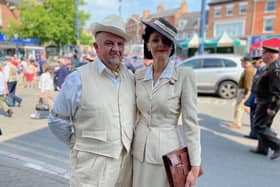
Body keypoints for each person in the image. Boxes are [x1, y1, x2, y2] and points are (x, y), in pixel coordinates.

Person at [48, 15, 136, 187]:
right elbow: (56, 122)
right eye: (109, 43)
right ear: (96, 47)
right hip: (91, 172)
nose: (116, 49)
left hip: (125, 169)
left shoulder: (130, 77)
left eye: (120, 44)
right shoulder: (77, 79)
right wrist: (78, 144)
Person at [132, 18, 201, 187]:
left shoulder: (185, 75)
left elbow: (190, 123)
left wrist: (195, 165)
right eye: (155, 40)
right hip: (138, 151)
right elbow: (133, 115)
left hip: (166, 155)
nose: (160, 44)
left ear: (171, 46)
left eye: (166, 41)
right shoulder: (138, 75)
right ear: (148, 45)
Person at [251, 46, 280, 160]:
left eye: (264, 53)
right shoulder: (270, 66)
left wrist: (272, 106)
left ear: (271, 55)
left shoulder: (276, 68)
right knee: (265, 125)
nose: (262, 56)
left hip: (268, 102)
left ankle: (277, 145)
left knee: (259, 126)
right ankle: (262, 149)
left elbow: (277, 91)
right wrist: (258, 96)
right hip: (263, 100)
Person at [228, 56, 256, 129]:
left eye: (242, 62)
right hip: (244, 90)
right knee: (245, 107)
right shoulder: (248, 69)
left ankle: (237, 124)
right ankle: (257, 119)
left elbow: (248, 83)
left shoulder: (248, 70)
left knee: (239, 107)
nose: (241, 63)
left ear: (246, 62)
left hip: (244, 90)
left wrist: (247, 93)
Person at [244, 55, 266, 139]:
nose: (254, 65)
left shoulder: (264, 70)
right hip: (254, 95)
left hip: (258, 97)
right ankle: (253, 133)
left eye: (255, 63)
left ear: (260, 61)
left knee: (256, 116)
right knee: (253, 115)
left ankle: (256, 134)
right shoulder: (258, 70)